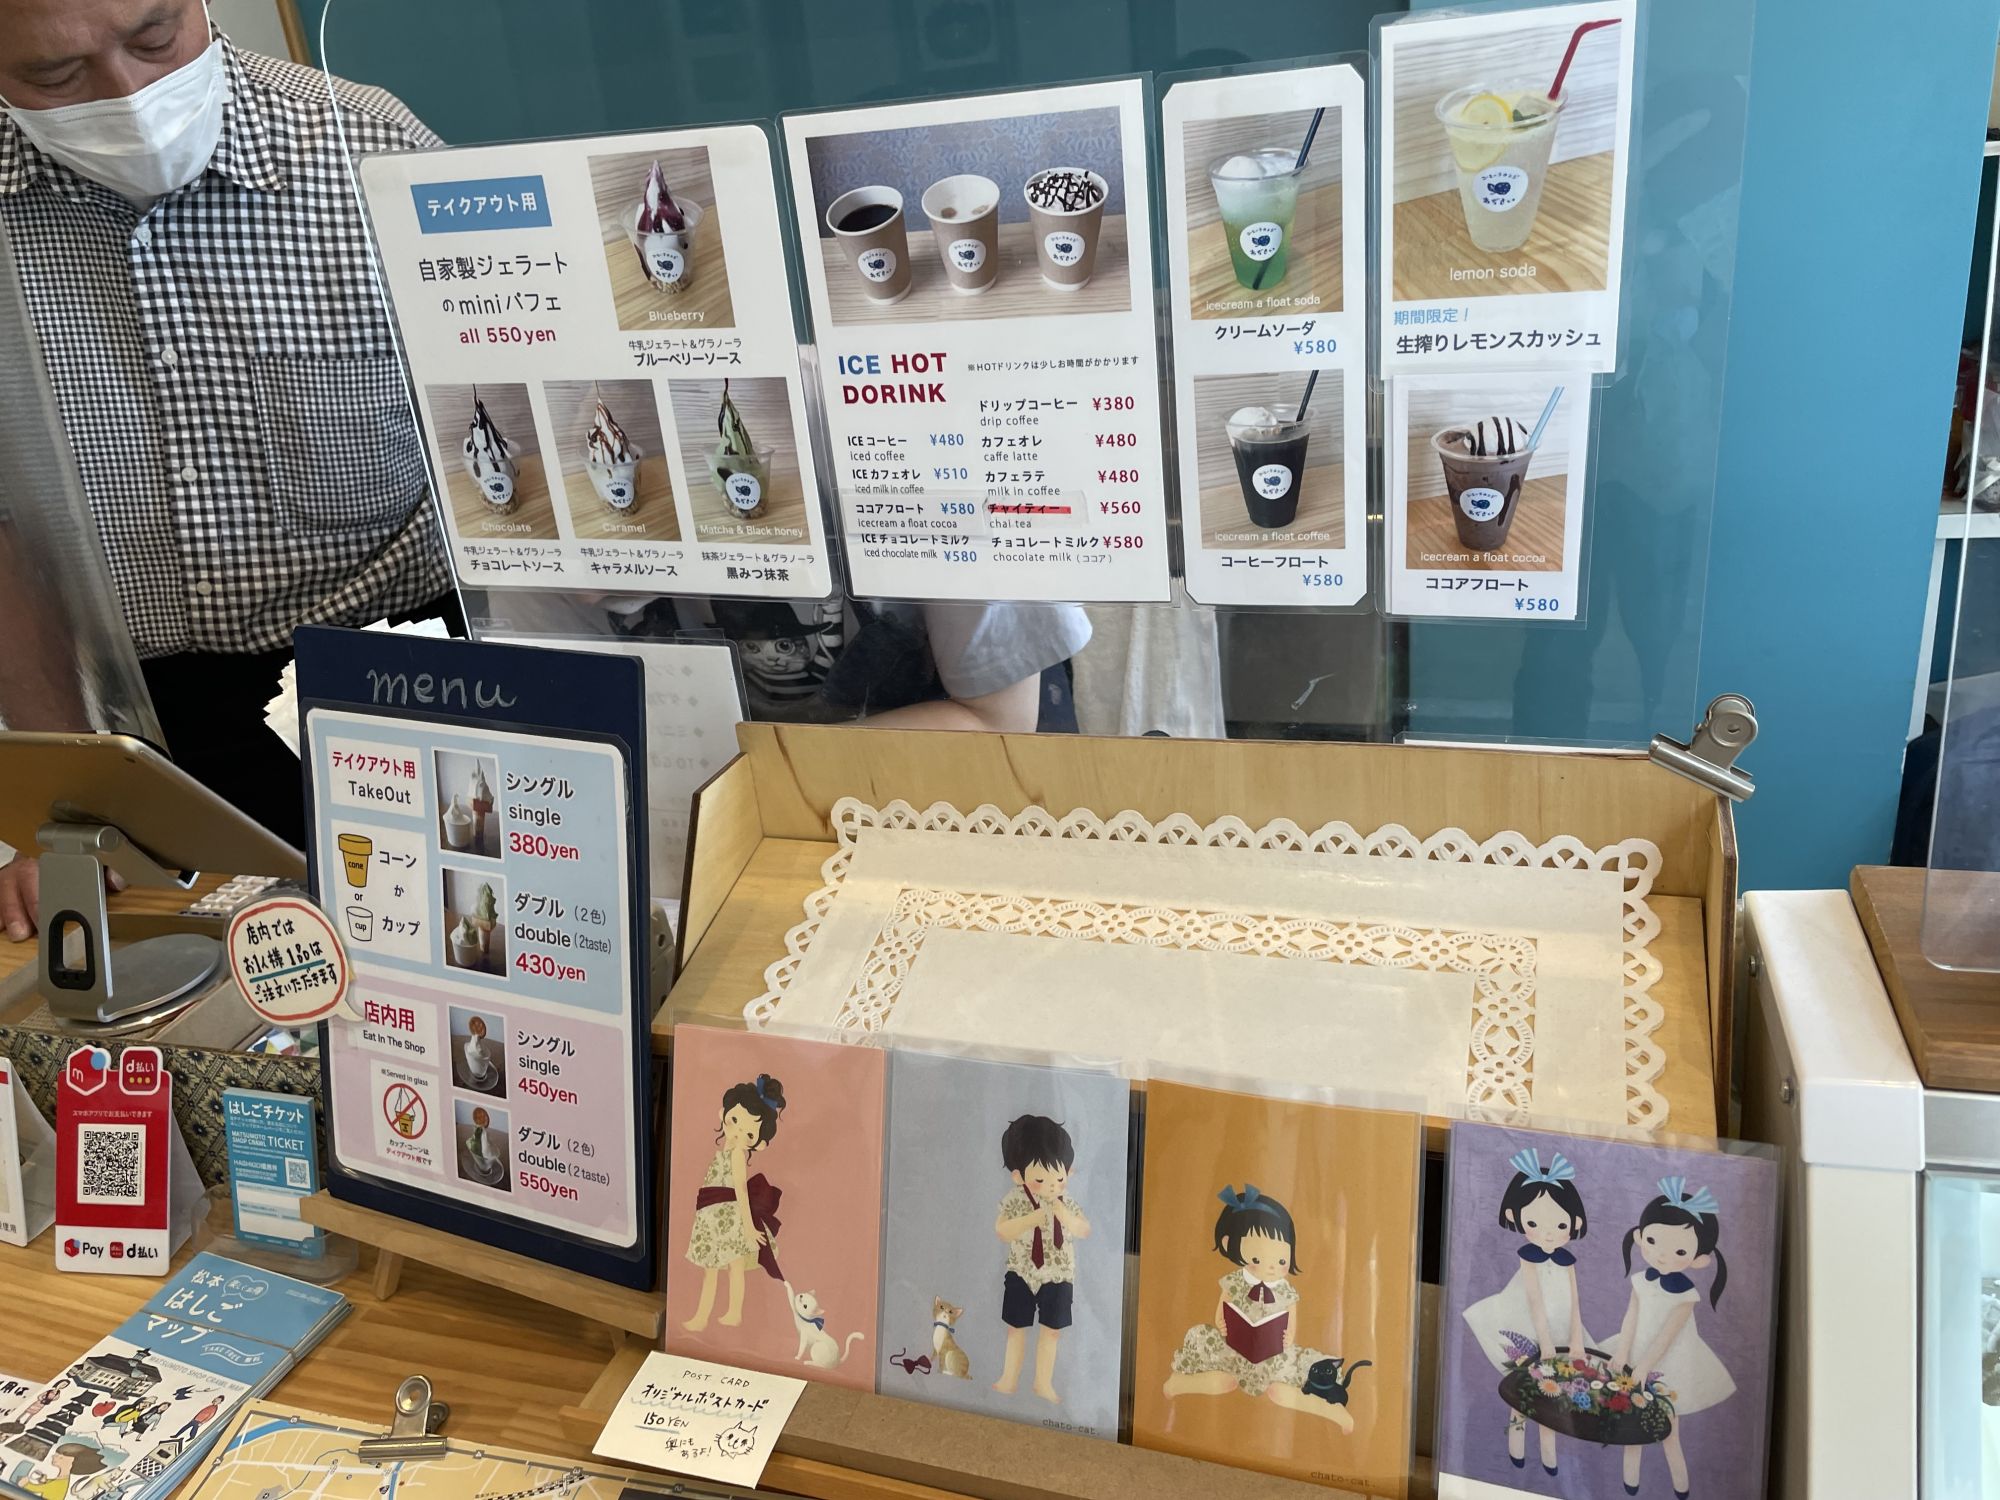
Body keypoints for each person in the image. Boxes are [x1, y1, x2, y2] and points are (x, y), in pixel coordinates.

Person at [0, 0, 456, 939]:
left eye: (155, 38)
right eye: (56, 74)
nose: (129, 94)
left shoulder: (367, 148)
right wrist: (57, 808)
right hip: (145, 719)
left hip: (403, 672)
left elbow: (513, 435)